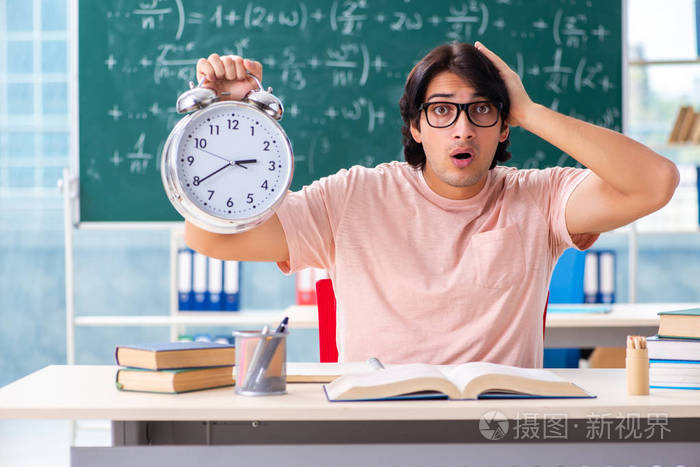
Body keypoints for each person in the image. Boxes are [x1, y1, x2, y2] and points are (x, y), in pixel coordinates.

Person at [186, 42, 679, 367]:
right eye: (442, 110)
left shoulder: (540, 197)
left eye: (482, 110)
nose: (463, 129)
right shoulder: (352, 196)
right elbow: (208, 236)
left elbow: (655, 182)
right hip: (375, 437)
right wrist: (224, 116)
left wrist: (526, 108)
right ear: (417, 128)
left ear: (504, 127)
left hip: (500, 436)